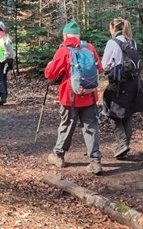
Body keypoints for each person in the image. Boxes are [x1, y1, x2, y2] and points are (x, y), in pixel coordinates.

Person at [44, 20, 104, 175]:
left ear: (65, 35)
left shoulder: (63, 50)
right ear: (78, 35)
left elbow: (49, 74)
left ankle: (59, 156)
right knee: (90, 126)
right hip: (90, 95)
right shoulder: (89, 47)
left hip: (69, 97)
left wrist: (52, 64)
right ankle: (95, 161)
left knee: (67, 124)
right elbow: (100, 68)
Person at [101, 17, 143, 159]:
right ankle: (124, 147)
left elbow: (105, 65)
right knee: (127, 114)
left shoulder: (112, 43)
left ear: (113, 28)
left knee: (112, 113)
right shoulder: (132, 42)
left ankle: (122, 144)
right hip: (134, 84)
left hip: (119, 84)